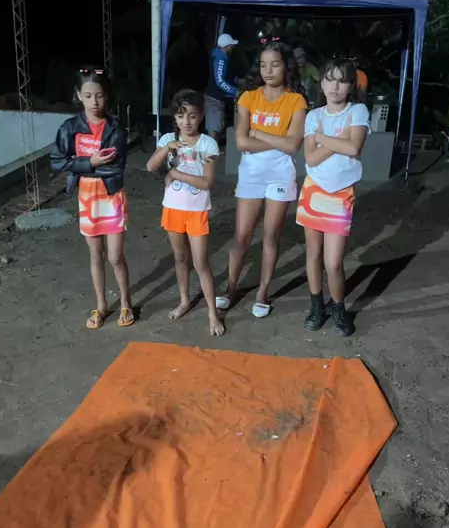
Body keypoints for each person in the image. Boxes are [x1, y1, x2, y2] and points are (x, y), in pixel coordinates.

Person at [216, 41, 308, 318]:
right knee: (241, 237)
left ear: (286, 67)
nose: (268, 70)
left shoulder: (296, 101)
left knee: (271, 236)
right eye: (264, 65)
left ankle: (262, 293)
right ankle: (231, 288)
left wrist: (259, 134)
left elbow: (293, 146)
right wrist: (278, 140)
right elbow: (241, 142)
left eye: (275, 64)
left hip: (281, 174)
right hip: (252, 175)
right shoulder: (248, 97)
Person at [50, 67, 134, 329]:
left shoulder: (116, 129)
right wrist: (92, 162)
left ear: (106, 95)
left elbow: (116, 167)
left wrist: (80, 164)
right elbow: (57, 161)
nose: (94, 102)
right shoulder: (70, 128)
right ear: (78, 95)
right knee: (95, 256)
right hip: (87, 198)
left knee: (115, 257)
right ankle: (101, 305)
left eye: (99, 95)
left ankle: (126, 302)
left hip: (111, 196)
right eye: (88, 96)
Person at [296, 57, 370, 337]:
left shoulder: (358, 110)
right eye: (330, 79)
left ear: (351, 85)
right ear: (321, 83)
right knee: (313, 255)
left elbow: (354, 148)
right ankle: (317, 306)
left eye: (342, 80)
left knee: (334, 262)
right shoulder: (313, 116)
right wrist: (340, 140)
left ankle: (339, 308)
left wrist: (321, 138)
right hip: (312, 191)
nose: (335, 86)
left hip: (341, 195)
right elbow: (311, 158)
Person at [146, 89, 225, 337]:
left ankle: (212, 312)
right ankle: (184, 300)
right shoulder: (168, 139)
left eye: (192, 116)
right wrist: (167, 148)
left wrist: (175, 173)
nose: (187, 122)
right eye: (181, 116)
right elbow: (150, 166)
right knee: (180, 258)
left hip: (197, 211)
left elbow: (206, 183)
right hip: (173, 208)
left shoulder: (208, 144)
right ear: (175, 117)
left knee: (201, 262)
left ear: (200, 116)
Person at [204, 33, 239, 140]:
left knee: (217, 127)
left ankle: (212, 148)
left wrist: (236, 81)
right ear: (226, 46)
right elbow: (220, 81)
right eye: (231, 45)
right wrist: (234, 91)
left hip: (216, 98)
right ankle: (211, 149)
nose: (232, 47)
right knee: (214, 129)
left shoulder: (221, 58)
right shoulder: (221, 59)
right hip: (214, 99)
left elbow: (223, 77)